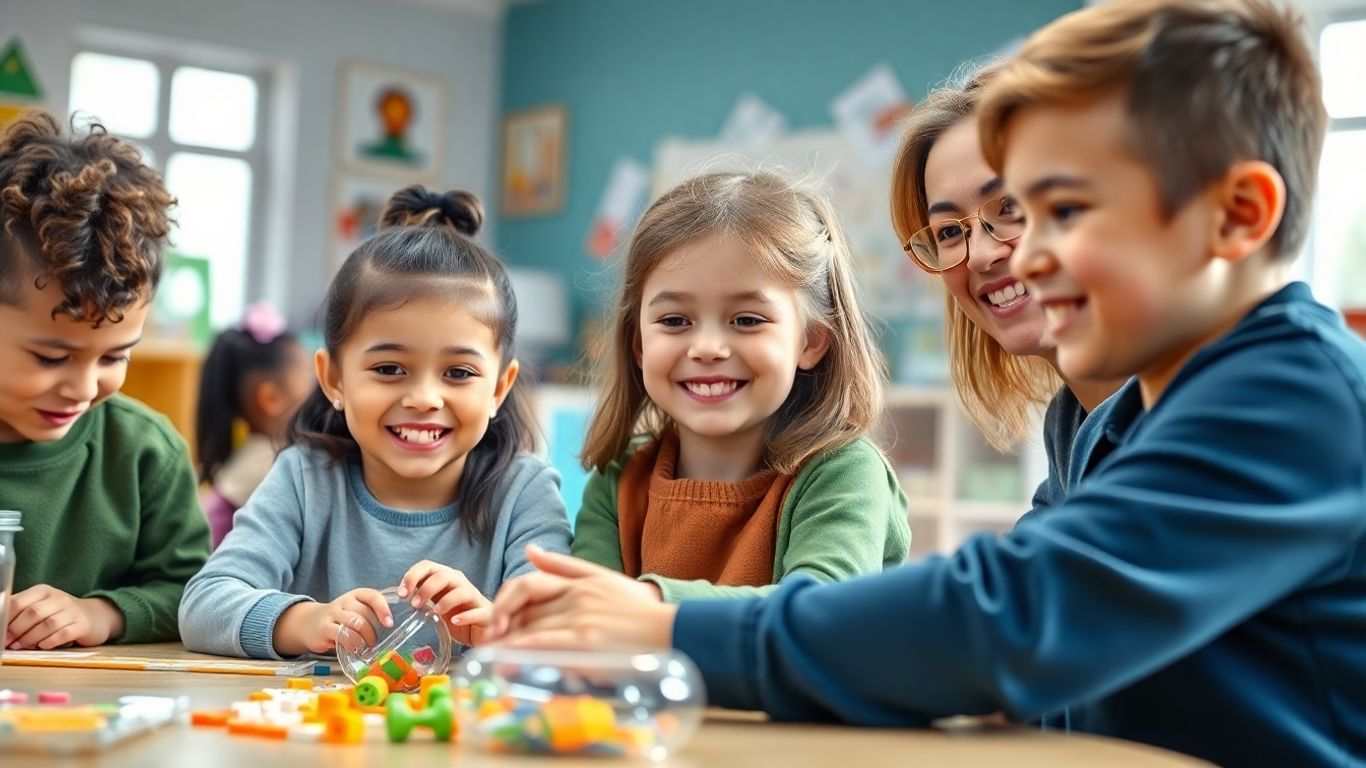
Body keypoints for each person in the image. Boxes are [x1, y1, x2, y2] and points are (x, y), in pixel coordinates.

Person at [487, 1, 1366, 764]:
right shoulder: (1108, 417)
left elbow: (1011, 617)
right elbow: (1025, 636)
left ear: (1239, 215)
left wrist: (669, 626)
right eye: (971, 224)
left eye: (1059, 210)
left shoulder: (1290, 394)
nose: (1021, 253)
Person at [179, 185, 572, 659]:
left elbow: (563, 626)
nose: (424, 399)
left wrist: (499, 626)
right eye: (389, 369)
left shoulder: (525, 491)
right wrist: (301, 621)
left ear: (499, 389)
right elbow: (202, 605)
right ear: (333, 379)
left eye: (458, 373)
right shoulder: (305, 479)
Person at [569, 171, 909, 603]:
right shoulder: (618, 480)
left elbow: (815, 616)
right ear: (639, 346)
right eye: (674, 321)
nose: (707, 348)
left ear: (810, 341)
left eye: (747, 320)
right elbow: (586, 618)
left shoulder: (845, 473)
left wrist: (646, 604)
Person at [0, 110, 210, 649]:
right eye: (51, 358)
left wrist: (101, 614)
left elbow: (192, 593)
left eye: (115, 356)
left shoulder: (144, 454)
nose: (84, 388)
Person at [890, 65, 1125, 513]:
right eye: (948, 232)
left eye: (1012, 206)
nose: (980, 255)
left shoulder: (1209, 397)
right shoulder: (1070, 426)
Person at [196, 300, 314, 548]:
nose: (319, 386)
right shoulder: (271, 465)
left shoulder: (255, 454)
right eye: (308, 373)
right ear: (271, 398)